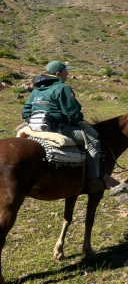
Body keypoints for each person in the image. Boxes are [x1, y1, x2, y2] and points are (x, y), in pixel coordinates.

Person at [22, 61, 106, 192]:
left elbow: (26, 112)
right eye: (65, 70)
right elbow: (73, 113)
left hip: (36, 128)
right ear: (58, 73)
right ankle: (94, 181)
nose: (67, 73)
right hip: (59, 128)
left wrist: (34, 122)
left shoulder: (37, 89)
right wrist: (76, 122)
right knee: (93, 143)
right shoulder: (62, 88)